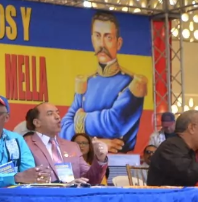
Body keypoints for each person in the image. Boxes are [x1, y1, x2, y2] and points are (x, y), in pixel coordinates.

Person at [60, 12, 147, 153]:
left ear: (119, 43)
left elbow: (113, 124)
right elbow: (64, 130)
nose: (102, 44)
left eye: (108, 37)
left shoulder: (132, 83)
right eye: (97, 36)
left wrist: (80, 119)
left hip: (119, 160)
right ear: (92, 40)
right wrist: (95, 143)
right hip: (85, 159)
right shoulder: (87, 81)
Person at [25, 102, 108, 185]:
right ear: (37, 123)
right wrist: (64, 186)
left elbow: (90, 180)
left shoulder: (72, 146)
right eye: (50, 113)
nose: (57, 117)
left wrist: (100, 159)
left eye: (58, 113)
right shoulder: (25, 145)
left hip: (72, 193)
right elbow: (24, 180)